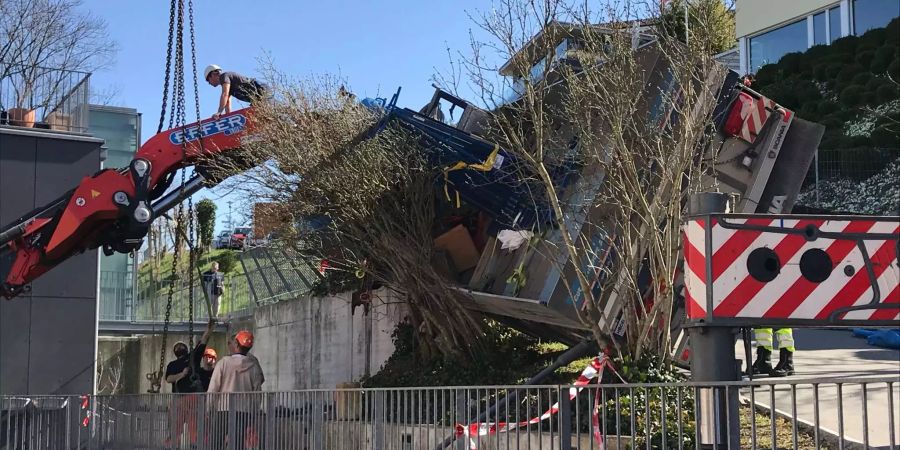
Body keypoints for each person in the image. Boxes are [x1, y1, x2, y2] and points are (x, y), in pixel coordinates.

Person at [208, 330, 265, 449]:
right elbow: (257, 393)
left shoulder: (223, 363)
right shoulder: (254, 366)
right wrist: (254, 412)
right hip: (244, 411)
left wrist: (209, 408)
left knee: (215, 443)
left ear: (236, 344)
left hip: (223, 409)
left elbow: (213, 388)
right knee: (238, 444)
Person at [164, 342, 199, 446]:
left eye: (181, 346)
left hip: (192, 399)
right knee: (175, 428)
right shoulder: (172, 365)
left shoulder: (192, 359)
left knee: (194, 428)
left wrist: (208, 331)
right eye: (177, 347)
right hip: (178, 398)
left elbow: (201, 344)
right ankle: (172, 445)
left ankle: (195, 445)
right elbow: (168, 378)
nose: (180, 347)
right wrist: (182, 374)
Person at [204, 64, 269, 119]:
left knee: (264, 115)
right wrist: (228, 118)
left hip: (261, 90)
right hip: (259, 96)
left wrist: (219, 112)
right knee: (260, 116)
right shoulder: (227, 84)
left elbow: (224, 94)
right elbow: (227, 103)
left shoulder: (224, 76)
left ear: (213, 74)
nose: (209, 83)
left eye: (208, 80)